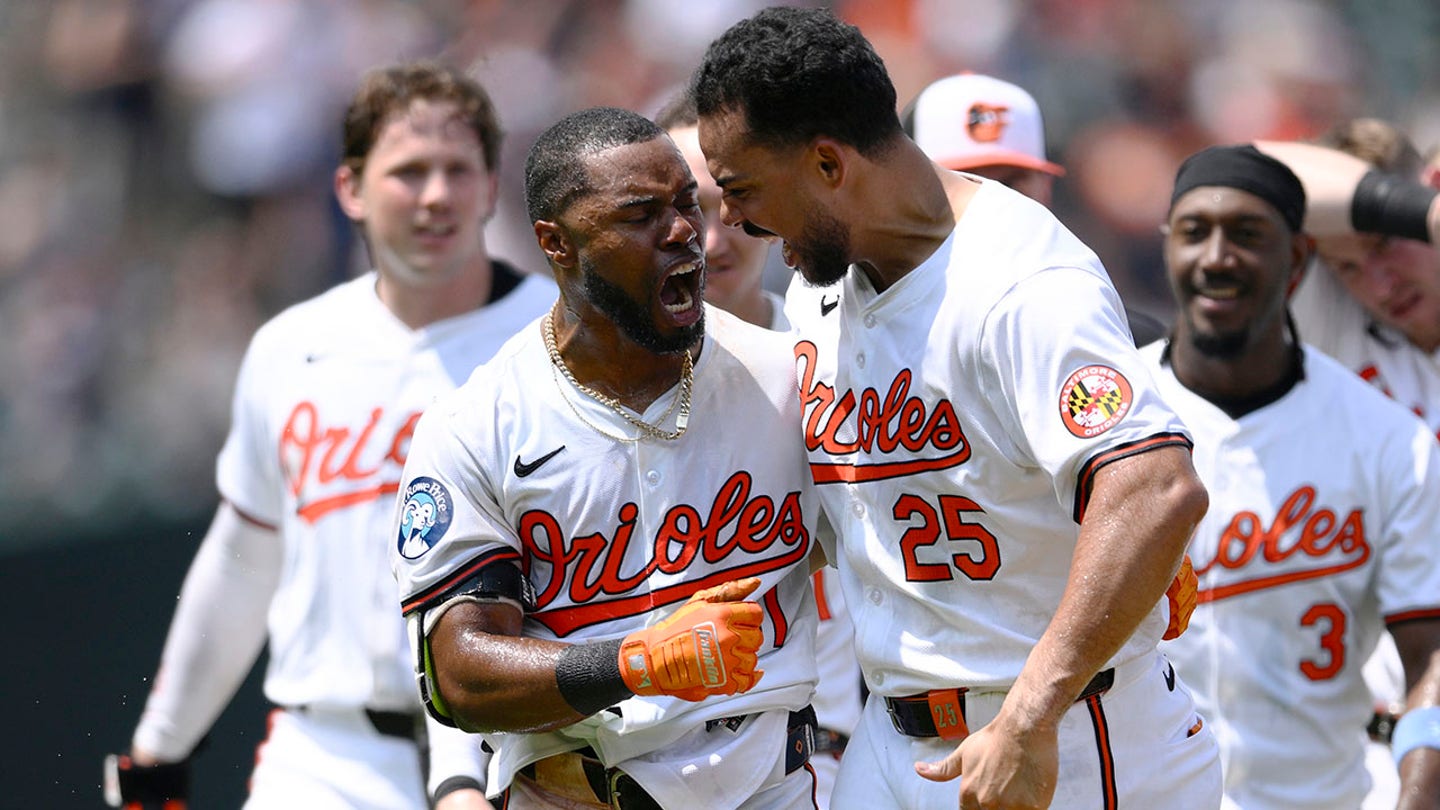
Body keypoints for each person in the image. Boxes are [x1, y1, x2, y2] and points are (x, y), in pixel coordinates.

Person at [692, 7, 1220, 808]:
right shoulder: (819, 293)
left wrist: (1030, 717)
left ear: (829, 165)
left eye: (740, 189)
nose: (731, 222)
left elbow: (1156, 489)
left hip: (1061, 735)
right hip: (893, 736)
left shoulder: (1021, 285)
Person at [106, 61, 558, 810]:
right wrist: (161, 745)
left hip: (519, 745)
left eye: (457, 169)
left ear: (489, 185)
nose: (437, 195)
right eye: (409, 172)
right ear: (349, 188)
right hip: (327, 755)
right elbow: (245, 558)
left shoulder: (552, 338)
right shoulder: (293, 347)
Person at [390, 105, 827, 809]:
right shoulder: (477, 423)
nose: (686, 231)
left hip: (767, 785)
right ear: (556, 243)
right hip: (570, 791)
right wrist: (638, 662)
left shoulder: (787, 378)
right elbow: (459, 676)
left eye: (688, 203)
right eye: (641, 214)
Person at [1144, 143, 1440, 809]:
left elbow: (1432, 654)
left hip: (1332, 786)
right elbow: (1249, 162)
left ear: (1296, 258)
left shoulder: (1386, 437)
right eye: (1195, 233)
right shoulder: (1110, 413)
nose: (1218, 256)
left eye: (1247, 236)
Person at [656, 91, 864, 810]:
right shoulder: (581, 387)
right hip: (641, 764)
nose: (711, 239)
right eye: (680, 211)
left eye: (728, 203)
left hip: (829, 757)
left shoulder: (837, 359)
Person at [902, 71, 1167, 345]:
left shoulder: (1120, 340)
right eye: (965, 184)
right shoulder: (872, 334)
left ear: (1045, 189)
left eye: (1009, 185)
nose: (992, 204)